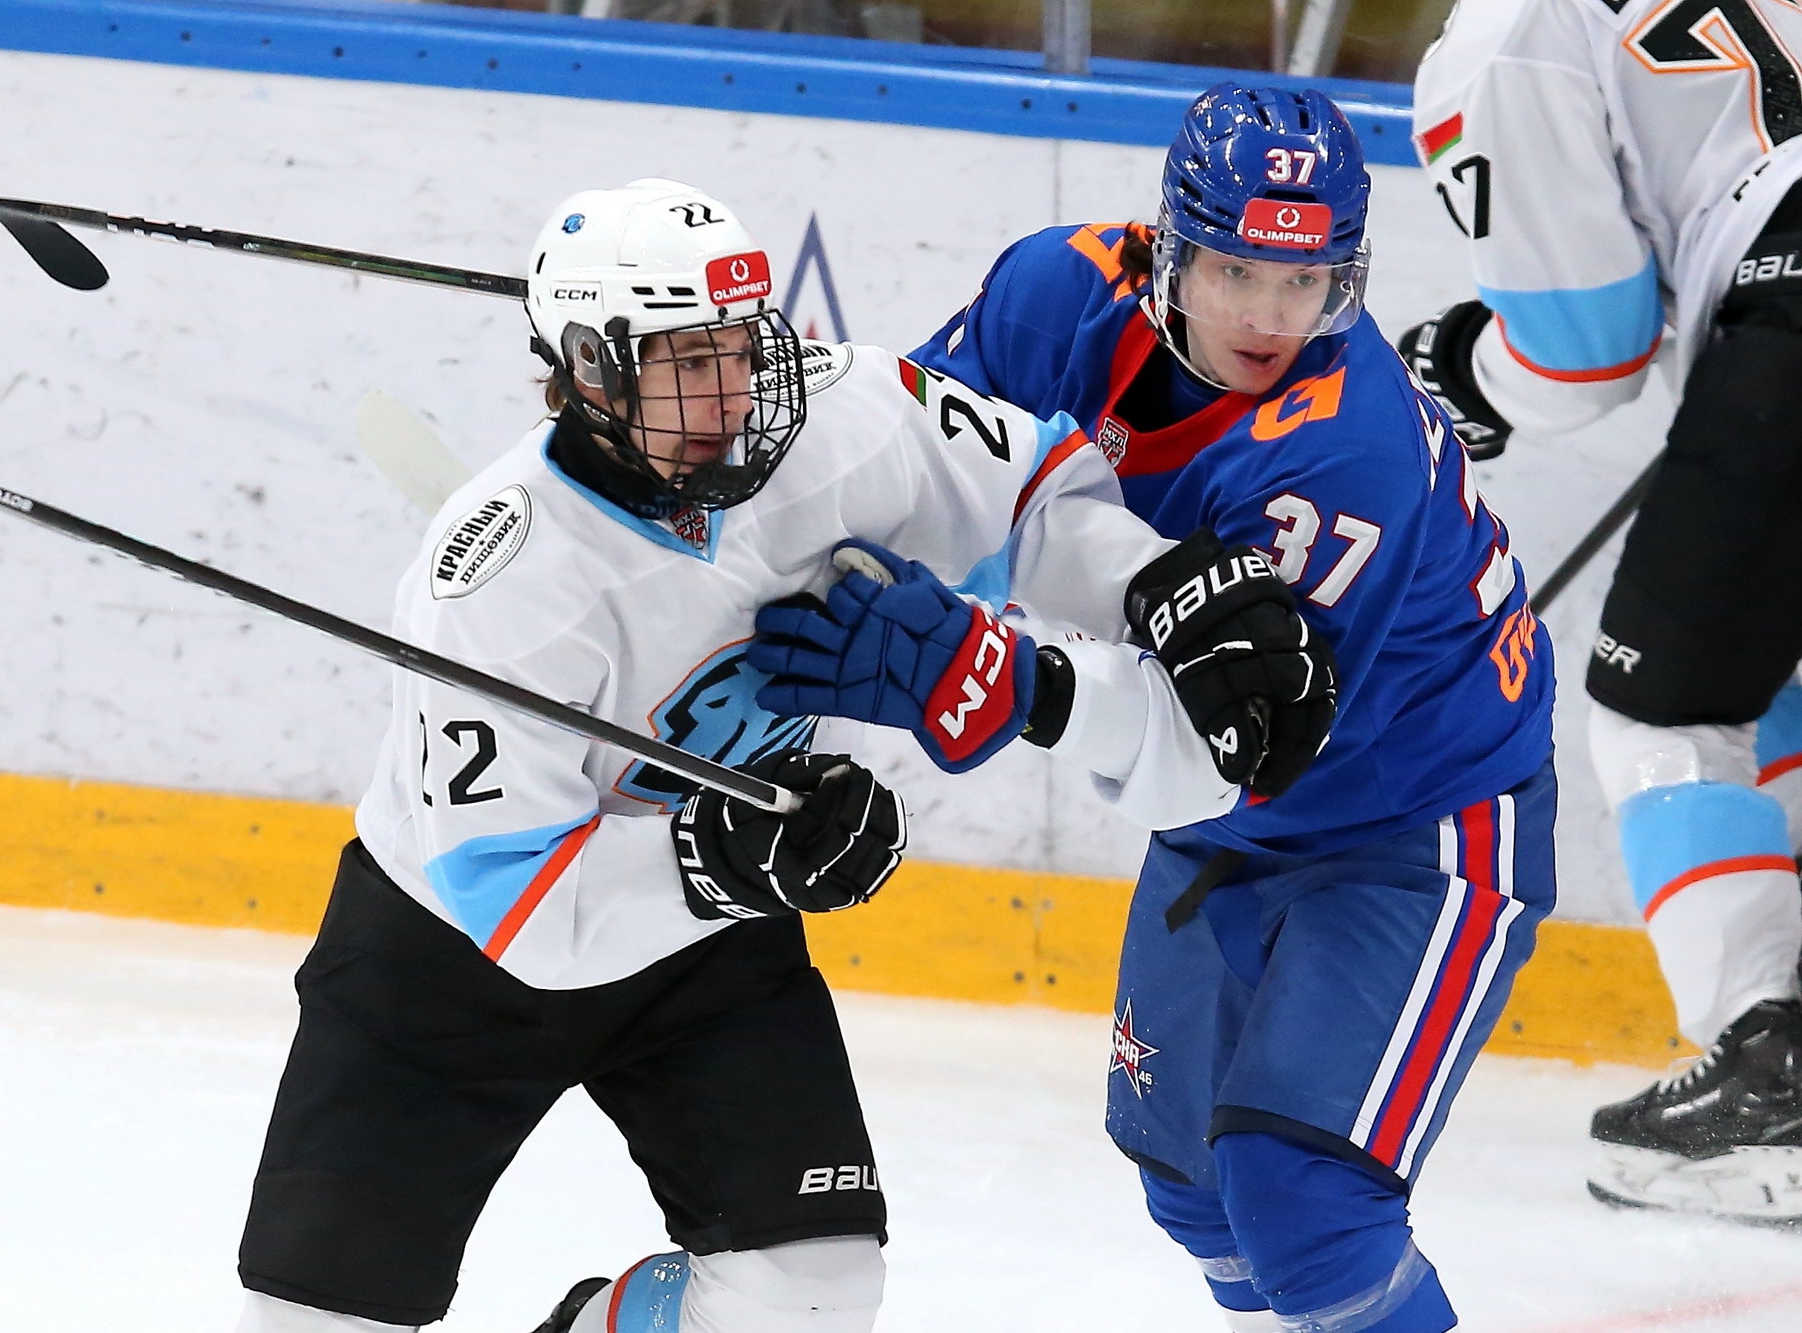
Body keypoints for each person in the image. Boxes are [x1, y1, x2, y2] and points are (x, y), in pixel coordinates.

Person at [230, 177, 1334, 1333]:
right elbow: (519, 906)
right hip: (446, 963)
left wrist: (1159, 585)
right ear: (592, 371)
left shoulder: (841, 416)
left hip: (703, 950)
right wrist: (717, 858)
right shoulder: (499, 587)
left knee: (809, 1293)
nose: (729, 394)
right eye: (683, 361)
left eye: (738, 347)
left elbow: (1030, 497)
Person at [752, 84, 1555, 1332]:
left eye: (1304, 282)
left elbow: (1240, 745)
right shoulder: (1054, 296)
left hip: (1413, 819)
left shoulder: (1341, 453)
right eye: (1236, 271)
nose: (1270, 317)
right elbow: (908, 472)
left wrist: (997, 678)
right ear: (1168, 250)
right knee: (1191, 1192)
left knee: (1304, 1203)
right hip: (1218, 827)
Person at [1404, 0, 1802, 1224]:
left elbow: (1583, 354)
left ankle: (1768, 1080)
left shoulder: (1507, 31)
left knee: (1661, 714)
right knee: (1769, 685)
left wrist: (1461, 371)